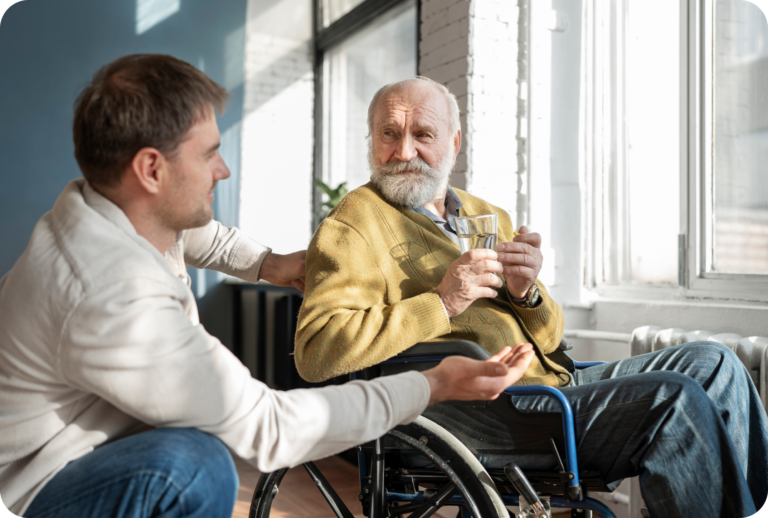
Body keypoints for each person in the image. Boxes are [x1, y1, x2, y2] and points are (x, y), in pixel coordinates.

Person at [0, 55, 538, 518]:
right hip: (34, 492)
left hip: (76, 451)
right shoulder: (111, 291)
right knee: (195, 466)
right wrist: (433, 383)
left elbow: (202, 238)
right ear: (150, 170)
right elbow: (269, 428)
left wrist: (269, 263)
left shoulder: (107, 209)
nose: (224, 169)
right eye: (209, 153)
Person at [295, 76, 768, 516]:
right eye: (388, 134)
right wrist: (442, 303)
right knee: (674, 399)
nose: (404, 150)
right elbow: (316, 353)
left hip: (550, 385)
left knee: (716, 362)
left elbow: (553, 338)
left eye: (423, 133)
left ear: (453, 144)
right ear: (371, 142)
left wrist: (526, 295)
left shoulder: (485, 214)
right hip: (487, 413)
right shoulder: (353, 223)